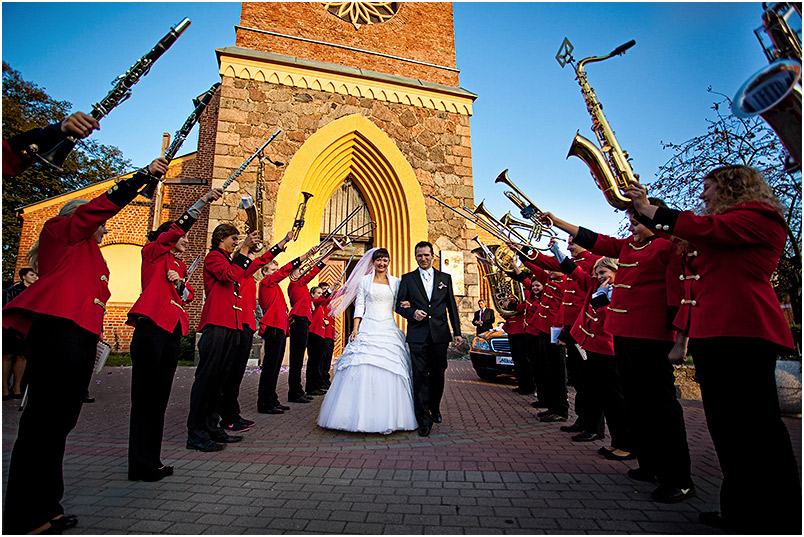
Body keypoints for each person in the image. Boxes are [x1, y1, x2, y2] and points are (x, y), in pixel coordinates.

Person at [624, 166, 800, 533]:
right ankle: (740, 510)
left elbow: (704, 229)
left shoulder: (760, 217)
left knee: (757, 431)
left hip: (745, 333)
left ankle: (780, 515)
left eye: (708, 188)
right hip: (715, 335)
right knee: (728, 431)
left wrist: (647, 206)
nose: (702, 196)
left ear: (733, 187)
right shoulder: (723, 227)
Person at [2, 152, 168, 535]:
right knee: (41, 426)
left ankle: (48, 506)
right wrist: (140, 178)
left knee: (59, 424)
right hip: (59, 333)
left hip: (78, 338)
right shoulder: (61, 231)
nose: (106, 231)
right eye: (101, 224)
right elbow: (98, 210)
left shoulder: (88, 252)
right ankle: (25, 516)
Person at [543, 203, 695, 504]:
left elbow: (679, 297)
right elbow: (595, 239)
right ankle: (650, 464)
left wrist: (681, 342)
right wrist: (556, 221)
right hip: (623, 334)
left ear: (657, 224)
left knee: (661, 408)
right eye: (631, 222)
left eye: (637, 223)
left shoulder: (668, 248)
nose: (631, 228)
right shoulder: (627, 247)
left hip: (652, 337)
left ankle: (679, 478)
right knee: (637, 403)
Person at [125, 187, 222, 481]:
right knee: (144, 399)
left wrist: (179, 282)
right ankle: (139, 464)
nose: (186, 239)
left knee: (159, 399)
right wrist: (201, 202)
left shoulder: (178, 264)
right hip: (151, 326)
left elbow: (188, 295)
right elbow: (173, 232)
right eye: (182, 236)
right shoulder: (152, 253)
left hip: (171, 330)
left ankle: (152, 460)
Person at [318, 248, 417, 433]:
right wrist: (355, 328)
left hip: (388, 327)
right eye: (378, 260)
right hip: (368, 326)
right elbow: (360, 305)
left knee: (391, 367)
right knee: (361, 365)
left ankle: (391, 416)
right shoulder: (364, 281)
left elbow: (398, 304)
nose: (382, 263)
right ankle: (353, 416)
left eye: (385, 260)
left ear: (389, 261)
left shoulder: (396, 282)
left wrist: (409, 305)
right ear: (373, 262)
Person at [186, 226, 260, 452]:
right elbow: (229, 276)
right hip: (216, 323)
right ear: (221, 238)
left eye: (239, 239)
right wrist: (245, 248)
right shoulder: (214, 257)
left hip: (230, 325)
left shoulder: (228, 259)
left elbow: (237, 274)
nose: (236, 243)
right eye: (234, 239)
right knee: (207, 380)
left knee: (219, 380)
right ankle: (196, 433)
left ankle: (212, 426)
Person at [218, 230, 293, 433]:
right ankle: (230, 414)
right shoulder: (262, 280)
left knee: (237, 374)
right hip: (237, 324)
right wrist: (285, 246)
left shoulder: (252, 278)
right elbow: (277, 269)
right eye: (251, 261)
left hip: (248, 325)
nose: (255, 263)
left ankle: (234, 413)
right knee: (230, 374)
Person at [395, 241, 463, 437]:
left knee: (438, 373)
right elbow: (400, 306)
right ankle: (423, 418)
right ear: (415, 257)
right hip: (417, 335)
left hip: (440, 334)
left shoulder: (445, 278)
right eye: (419, 255)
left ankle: (435, 407)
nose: (423, 258)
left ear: (433, 256)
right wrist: (412, 313)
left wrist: (457, 332)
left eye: (426, 255)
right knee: (420, 375)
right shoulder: (407, 279)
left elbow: (452, 307)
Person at [255, 248, 312, 414]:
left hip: (279, 327)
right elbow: (283, 272)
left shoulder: (274, 287)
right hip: (273, 327)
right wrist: (303, 257)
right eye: (272, 270)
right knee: (270, 367)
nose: (275, 272)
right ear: (265, 272)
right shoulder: (266, 283)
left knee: (275, 366)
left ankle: (271, 398)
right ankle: (265, 402)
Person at [286, 252, 334, 404]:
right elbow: (313, 271)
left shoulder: (302, 287)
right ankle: (295, 391)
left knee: (299, 359)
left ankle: (298, 389)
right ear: (292, 275)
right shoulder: (295, 284)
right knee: (297, 359)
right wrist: (328, 254)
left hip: (304, 322)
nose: (303, 272)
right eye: (299, 271)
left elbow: (319, 301)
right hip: (299, 321)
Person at [2, 268, 38, 400]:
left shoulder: (36, 292)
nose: (35, 277)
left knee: (22, 357)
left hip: (27, 327)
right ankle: (4, 387)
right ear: (24, 277)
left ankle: (17, 386)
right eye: (32, 275)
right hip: (11, 327)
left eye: (36, 275)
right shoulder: (11, 291)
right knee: (8, 356)